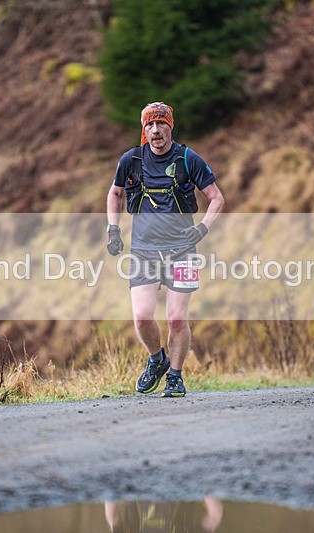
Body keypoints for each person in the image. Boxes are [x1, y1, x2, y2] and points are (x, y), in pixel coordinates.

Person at [106, 102, 224, 397]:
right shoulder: (131, 160)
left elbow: (216, 198)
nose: (156, 130)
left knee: (176, 318)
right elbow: (115, 193)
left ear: (171, 127)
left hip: (182, 251)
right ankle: (157, 359)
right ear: (144, 130)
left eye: (161, 124)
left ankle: (175, 376)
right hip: (144, 251)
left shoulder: (188, 159)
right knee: (142, 316)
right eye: (150, 125)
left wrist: (202, 229)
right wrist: (113, 229)